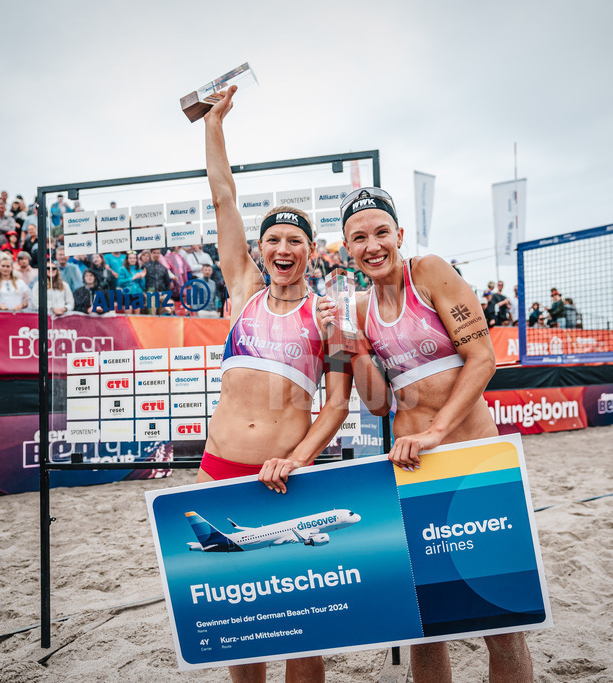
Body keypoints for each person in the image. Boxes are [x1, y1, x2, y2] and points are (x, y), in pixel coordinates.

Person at [319, 185, 533, 683]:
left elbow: (483, 359)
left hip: (472, 461)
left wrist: (438, 430)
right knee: (426, 623)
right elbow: (376, 402)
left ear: (399, 234)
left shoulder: (430, 271)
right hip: (413, 471)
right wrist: (351, 347)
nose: (372, 245)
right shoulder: (357, 308)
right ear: (346, 249)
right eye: (358, 238)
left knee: (502, 621)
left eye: (380, 233)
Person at [201, 85, 351, 683]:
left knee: (299, 624)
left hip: (289, 478)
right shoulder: (241, 290)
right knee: (240, 622)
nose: (283, 247)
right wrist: (214, 124)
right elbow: (223, 198)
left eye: (295, 240)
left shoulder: (329, 315)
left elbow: (338, 405)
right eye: (274, 240)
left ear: (311, 253)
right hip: (218, 468)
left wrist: (294, 460)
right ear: (259, 251)